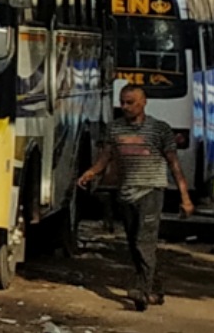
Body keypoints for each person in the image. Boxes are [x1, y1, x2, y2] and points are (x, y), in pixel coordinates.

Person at [78, 82, 192, 310]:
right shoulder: (115, 129)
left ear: (143, 102)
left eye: (131, 103)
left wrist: (185, 197)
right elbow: (106, 157)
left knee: (144, 241)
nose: (126, 107)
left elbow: (174, 164)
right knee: (134, 244)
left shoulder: (160, 129)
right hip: (126, 193)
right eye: (123, 103)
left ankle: (141, 291)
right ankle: (155, 287)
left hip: (151, 191)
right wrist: (90, 173)